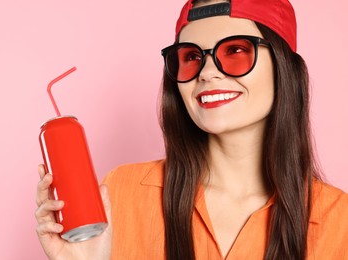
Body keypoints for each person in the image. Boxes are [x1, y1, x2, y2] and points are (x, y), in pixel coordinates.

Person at [35, 0, 348, 259]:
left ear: (284, 69)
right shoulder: (119, 194)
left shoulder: (339, 221)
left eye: (236, 51)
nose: (207, 73)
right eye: (192, 57)